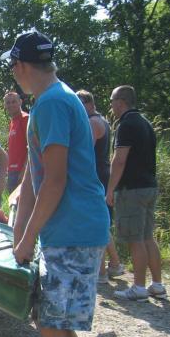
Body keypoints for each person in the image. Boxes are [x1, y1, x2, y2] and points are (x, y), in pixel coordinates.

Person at [3, 30, 117, 337]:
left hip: (74, 231)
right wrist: (20, 237)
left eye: (13, 67)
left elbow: (55, 180)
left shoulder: (51, 103)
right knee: (56, 322)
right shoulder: (53, 99)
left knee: (53, 327)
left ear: (21, 66)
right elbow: (34, 178)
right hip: (67, 230)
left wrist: (29, 238)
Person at [107, 85, 166, 301]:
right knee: (147, 236)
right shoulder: (145, 122)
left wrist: (110, 189)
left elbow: (119, 160)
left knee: (135, 239)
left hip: (132, 189)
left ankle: (139, 287)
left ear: (121, 102)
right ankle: (157, 285)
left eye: (112, 101)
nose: (111, 106)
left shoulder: (126, 125)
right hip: (149, 186)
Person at [76, 90, 125, 284]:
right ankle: (115, 264)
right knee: (101, 221)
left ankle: (101, 272)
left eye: (80, 103)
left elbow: (83, 151)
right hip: (102, 173)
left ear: (89, 103)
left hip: (94, 176)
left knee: (94, 222)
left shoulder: (92, 123)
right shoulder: (102, 120)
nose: (77, 108)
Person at [3, 91, 29, 194]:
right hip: (12, 172)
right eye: (8, 102)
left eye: (14, 102)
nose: (11, 105)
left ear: (20, 102)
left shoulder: (25, 118)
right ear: (5, 105)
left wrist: (24, 172)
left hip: (21, 172)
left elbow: (32, 147)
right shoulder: (13, 122)